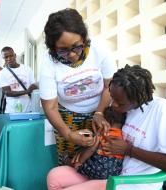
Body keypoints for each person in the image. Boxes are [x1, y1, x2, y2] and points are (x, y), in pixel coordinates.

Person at [46, 64, 166, 190]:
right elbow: (109, 132)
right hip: (111, 172)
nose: (113, 105)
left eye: (120, 103)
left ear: (139, 98)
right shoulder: (126, 106)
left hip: (133, 184)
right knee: (54, 176)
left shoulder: (162, 110)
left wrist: (128, 150)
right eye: (112, 98)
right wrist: (96, 131)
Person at [39, 8, 116, 166]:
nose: (72, 55)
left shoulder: (99, 49)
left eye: (76, 47)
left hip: (100, 111)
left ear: (84, 38)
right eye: (63, 50)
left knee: (100, 160)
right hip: (66, 117)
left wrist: (100, 112)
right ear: (53, 48)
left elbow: (110, 85)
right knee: (71, 163)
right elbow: (51, 106)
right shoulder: (48, 63)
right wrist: (67, 134)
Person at [65, 106, 126, 181]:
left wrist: (80, 162)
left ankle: (69, 162)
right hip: (114, 172)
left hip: (99, 170)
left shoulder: (103, 133)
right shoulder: (124, 135)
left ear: (104, 121)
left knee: (79, 162)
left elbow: (91, 149)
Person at [0, 46, 38, 113]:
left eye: (11, 56)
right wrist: (27, 91)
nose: (9, 59)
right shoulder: (2, 73)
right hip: (11, 111)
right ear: (3, 58)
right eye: (6, 57)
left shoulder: (27, 69)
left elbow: (33, 86)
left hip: (28, 109)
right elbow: (7, 93)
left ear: (15, 55)